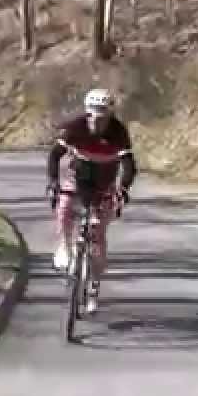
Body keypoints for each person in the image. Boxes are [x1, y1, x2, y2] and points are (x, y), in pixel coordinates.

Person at [45, 88, 137, 312]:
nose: (98, 117)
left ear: (110, 114)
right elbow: (55, 155)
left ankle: (94, 287)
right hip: (79, 179)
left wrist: (122, 189)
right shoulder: (75, 128)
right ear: (87, 111)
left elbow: (129, 165)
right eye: (94, 111)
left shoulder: (118, 131)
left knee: (97, 235)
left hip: (104, 183)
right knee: (64, 206)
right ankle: (64, 247)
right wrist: (53, 181)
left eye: (103, 112)